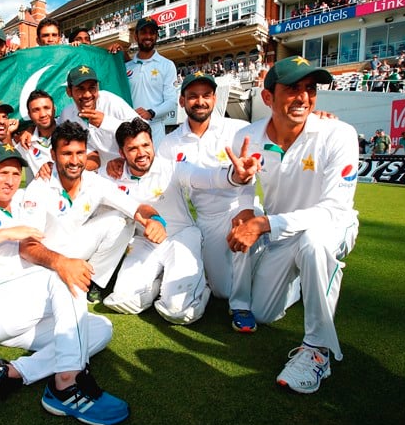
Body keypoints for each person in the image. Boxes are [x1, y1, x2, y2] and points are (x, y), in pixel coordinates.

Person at [0, 144, 129, 425]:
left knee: (100, 328)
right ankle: (66, 385)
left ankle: (10, 371)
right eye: (2, 173)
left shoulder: (25, 202)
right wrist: (4, 233)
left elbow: (62, 189)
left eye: (16, 173)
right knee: (64, 274)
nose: (10, 180)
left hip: (29, 308)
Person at [227, 55, 359, 394]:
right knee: (263, 313)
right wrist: (243, 205)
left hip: (331, 226)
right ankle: (307, 279)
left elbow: (333, 209)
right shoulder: (247, 135)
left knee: (314, 243)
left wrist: (263, 223)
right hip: (281, 232)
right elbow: (243, 187)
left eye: (310, 89)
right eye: (292, 89)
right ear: (268, 97)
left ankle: (318, 351)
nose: (303, 97)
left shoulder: (339, 134)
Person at [101, 117, 259, 324]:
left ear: (152, 143)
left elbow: (208, 177)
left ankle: (198, 287)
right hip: (143, 243)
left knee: (179, 313)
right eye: (132, 149)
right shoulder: (112, 175)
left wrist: (236, 176)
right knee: (123, 301)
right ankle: (160, 282)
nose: (141, 153)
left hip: (181, 237)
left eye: (146, 145)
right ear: (121, 153)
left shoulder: (173, 168)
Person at [20, 121, 167, 305]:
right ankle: (68, 276)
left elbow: (136, 208)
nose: (74, 161)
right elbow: (27, 247)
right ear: (53, 155)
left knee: (122, 219)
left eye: (80, 153)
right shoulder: (39, 187)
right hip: (44, 260)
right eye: (66, 154)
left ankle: (94, 283)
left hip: (74, 248)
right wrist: (61, 263)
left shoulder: (94, 182)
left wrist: (155, 219)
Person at [157, 72, 257, 332]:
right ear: (182, 101)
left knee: (243, 249)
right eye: (192, 96)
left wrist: (246, 208)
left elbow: (251, 171)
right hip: (207, 218)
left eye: (206, 95)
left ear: (214, 98)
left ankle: (242, 306)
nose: (199, 101)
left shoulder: (236, 129)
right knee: (221, 290)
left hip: (240, 207)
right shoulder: (169, 143)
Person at [112, 17, 178, 147]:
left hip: (155, 131)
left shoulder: (167, 65)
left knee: (155, 166)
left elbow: (171, 102)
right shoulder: (127, 66)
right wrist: (115, 55)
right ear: (136, 36)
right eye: (143, 32)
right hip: (129, 130)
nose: (148, 36)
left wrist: (151, 112)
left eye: (152, 33)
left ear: (156, 36)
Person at [57, 64, 138, 169]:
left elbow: (144, 128)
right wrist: (30, 130)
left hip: (127, 168)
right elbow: (53, 130)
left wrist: (106, 122)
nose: (87, 95)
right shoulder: (67, 114)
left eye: (92, 88)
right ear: (69, 92)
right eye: (80, 89)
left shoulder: (111, 102)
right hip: (98, 174)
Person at [16, 90, 57, 181]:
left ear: (54, 109)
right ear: (29, 115)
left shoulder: (69, 131)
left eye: (46, 108)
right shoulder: (25, 142)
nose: (42, 114)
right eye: (36, 110)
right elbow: (9, 161)